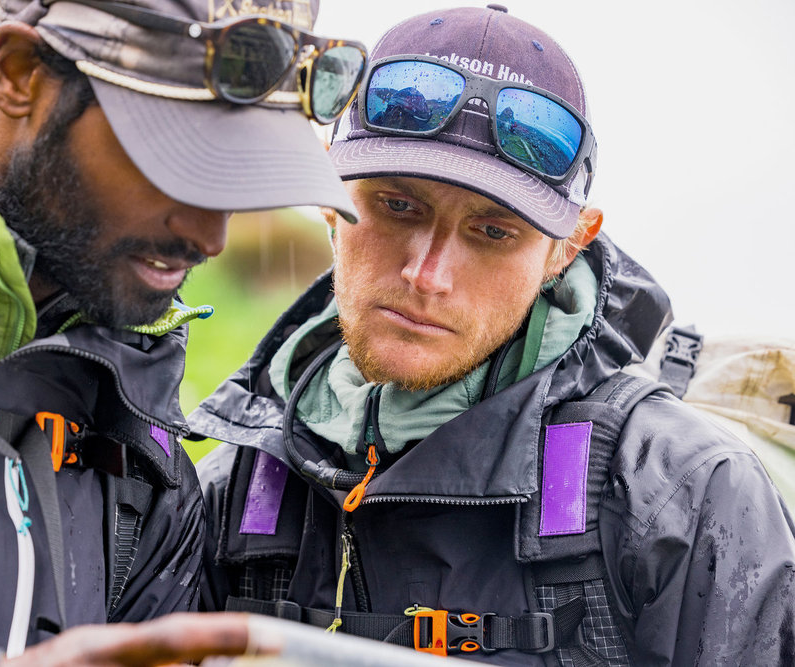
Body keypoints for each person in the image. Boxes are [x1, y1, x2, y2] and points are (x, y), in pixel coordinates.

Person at [191, 5, 795, 665]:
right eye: (398, 205)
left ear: (566, 249)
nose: (426, 274)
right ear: (327, 193)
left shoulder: (686, 495)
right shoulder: (234, 487)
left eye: (491, 231)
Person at [0, 0, 366, 663]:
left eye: (236, 177)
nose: (210, 237)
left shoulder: (142, 453)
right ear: (20, 75)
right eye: (175, 161)